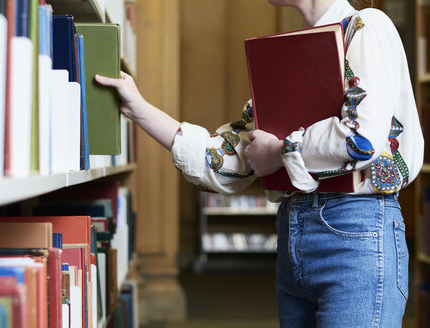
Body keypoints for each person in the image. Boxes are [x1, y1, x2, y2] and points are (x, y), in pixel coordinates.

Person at [95, 0, 424, 326]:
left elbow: (361, 138)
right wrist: (138, 109)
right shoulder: (292, 54)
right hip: (294, 232)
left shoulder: (368, 26)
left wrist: (280, 151)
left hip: (356, 232)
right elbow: (232, 156)